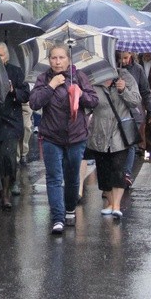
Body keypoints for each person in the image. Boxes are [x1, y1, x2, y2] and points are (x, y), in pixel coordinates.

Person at [29, 44, 99, 235]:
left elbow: (94, 101)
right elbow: (34, 102)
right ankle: (57, 218)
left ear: (68, 59)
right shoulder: (44, 79)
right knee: (54, 177)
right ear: (49, 60)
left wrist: (80, 93)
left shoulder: (79, 77)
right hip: (51, 136)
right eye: (53, 58)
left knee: (72, 176)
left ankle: (69, 208)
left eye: (61, 58)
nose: (57, 62)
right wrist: (52, 86)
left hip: (76, 136)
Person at [87, 68, 141, 219]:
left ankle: (116, 205)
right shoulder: (93, 79)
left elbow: (136, 100)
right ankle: (110, 202)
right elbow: (87, 104)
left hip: (119, 132)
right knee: (103, 171)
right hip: (99, 131)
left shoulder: (125, 77)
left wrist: (123, 90)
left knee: (118, 168)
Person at [0, 43, 29, 210]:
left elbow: (25, 95)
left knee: (8, 158)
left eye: (1, 55)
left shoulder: (16, 72)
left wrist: (13, 91)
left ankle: (6, 194)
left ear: (7, 56)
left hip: (10, 122)